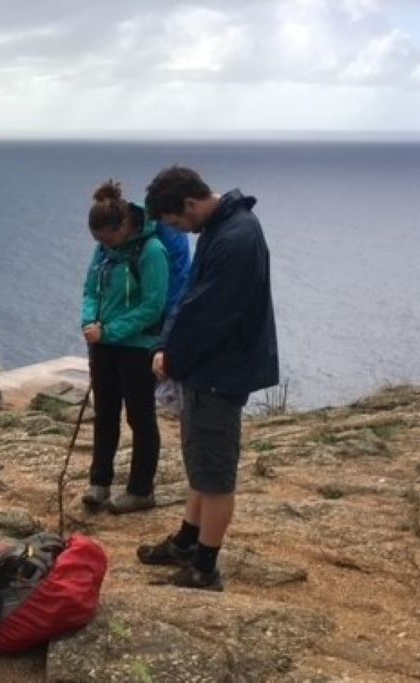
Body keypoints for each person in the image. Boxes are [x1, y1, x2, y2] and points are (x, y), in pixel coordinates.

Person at [138, 166, 279, 591]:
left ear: (189, 204)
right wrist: (167, 347)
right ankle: (186, 541)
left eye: (176, 223)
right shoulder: (223, 228)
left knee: (215, 474)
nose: (180, 230)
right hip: (208, 370)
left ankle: (204, 567)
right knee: (200, 462)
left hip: (220, 372)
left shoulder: (235, 238)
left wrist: (172, 359)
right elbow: (190, 300)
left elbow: (209, 315)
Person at [80, 180, 170, 514]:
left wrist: (110, 331)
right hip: (103, 343)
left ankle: (140, 490)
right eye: (98, 240)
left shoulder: (152, 251)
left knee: (140, 417)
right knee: (105, 414)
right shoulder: (104, 250)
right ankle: (99, 483)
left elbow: (153, 306)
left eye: (108, 238)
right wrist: (89, 322)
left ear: (126, 226)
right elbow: (91, 288)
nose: (104, 245)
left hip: (137, 346)